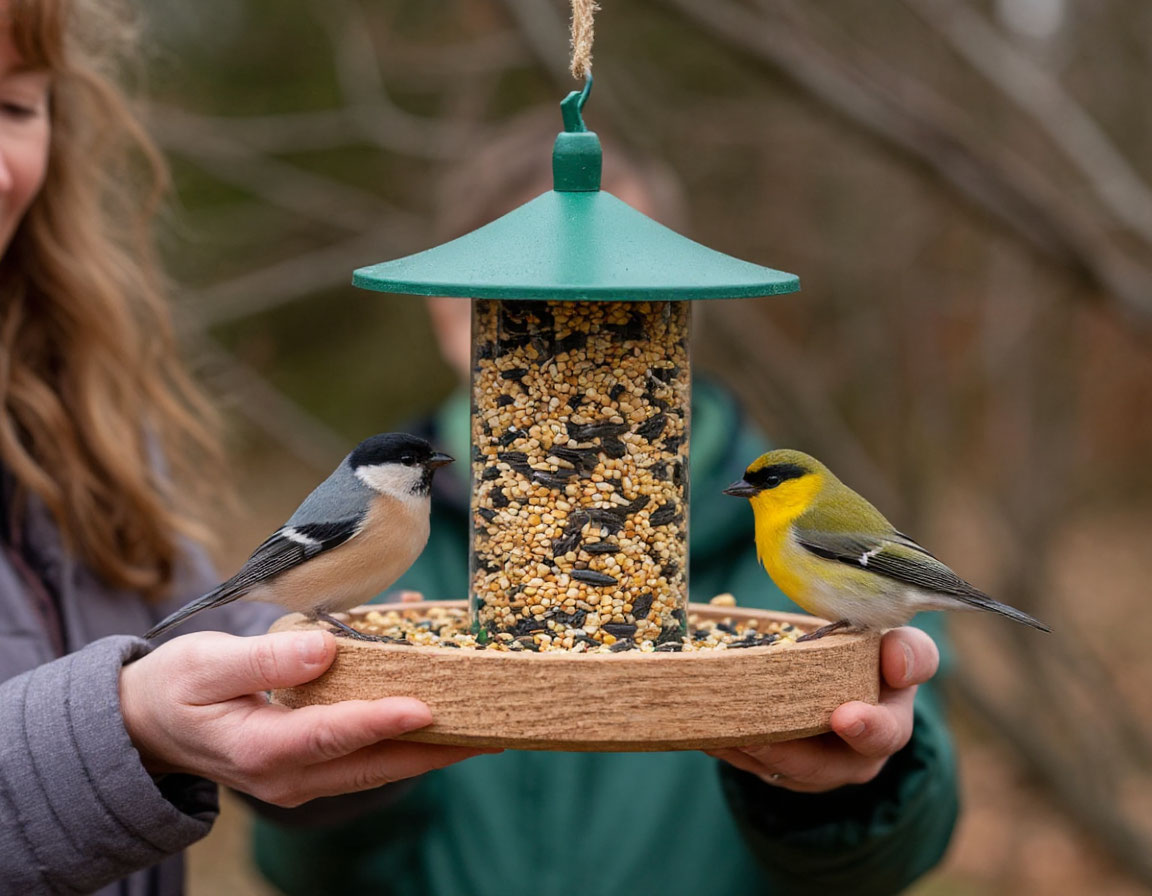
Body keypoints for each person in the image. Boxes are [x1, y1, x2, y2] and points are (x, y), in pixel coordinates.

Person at [252, 113, 960, 895]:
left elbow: (910, 841)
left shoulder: (791, 521)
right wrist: (331, 779)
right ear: (445, 308)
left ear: (684, 305)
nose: (570, 329)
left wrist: (845, 784)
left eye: (622, 295)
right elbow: (300, 871)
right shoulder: (388, 528)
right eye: (515, 299)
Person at [0, 3, 485, 894]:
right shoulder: (365, 504)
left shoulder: (91, 417)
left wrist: (330, 704)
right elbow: (269, 578)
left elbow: (222, 634)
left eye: (16, 107)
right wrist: (124, 725)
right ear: (386, 473)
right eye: (414, 464)